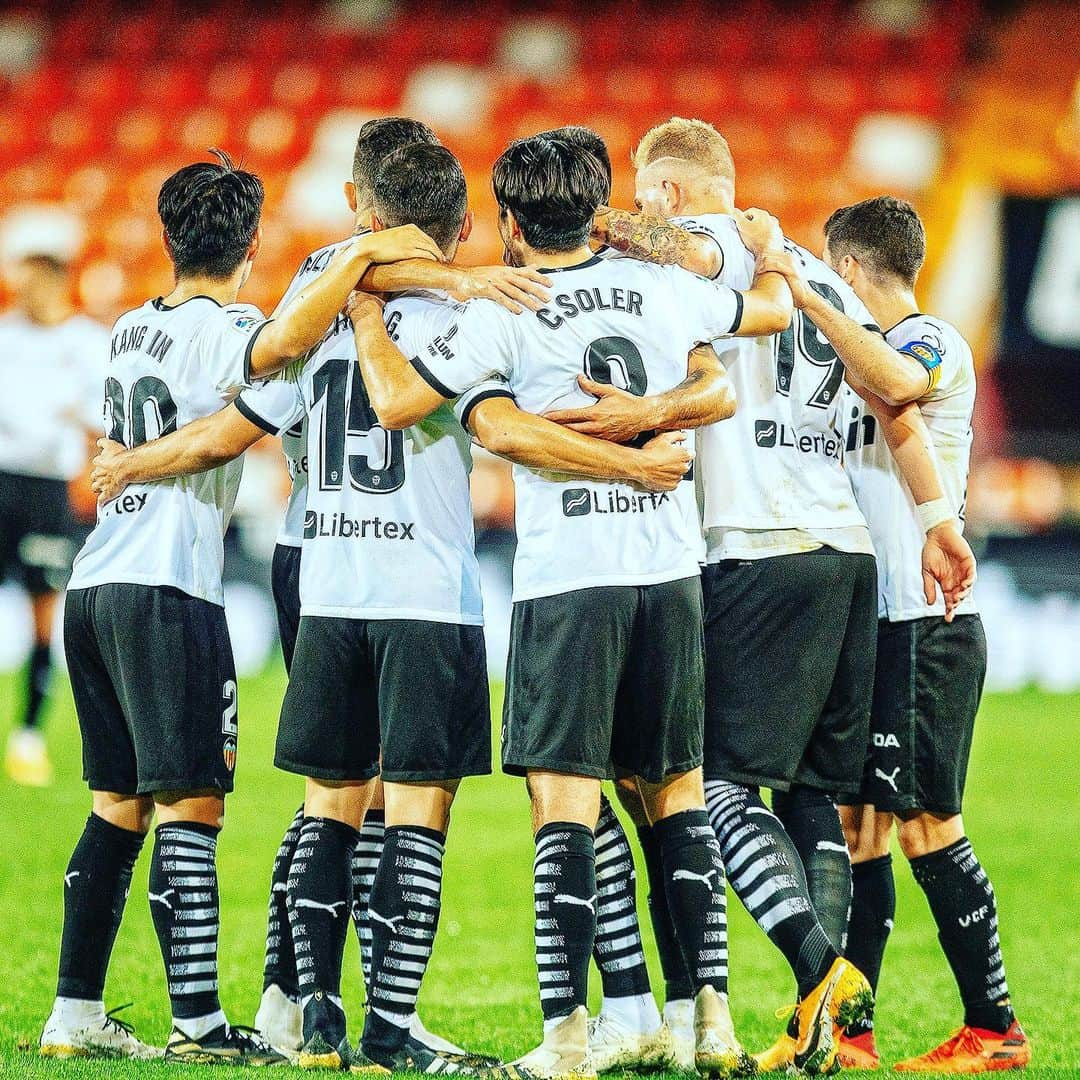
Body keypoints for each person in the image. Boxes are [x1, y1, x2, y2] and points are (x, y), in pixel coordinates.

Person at [91, 116, 553, 1060]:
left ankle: (296, 1001)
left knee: (329, 802)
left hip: (323, 574)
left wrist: (132, 464)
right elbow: (501, 427)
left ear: (365, 215)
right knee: (414, 803)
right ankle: (388, 1024)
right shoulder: (472, 316)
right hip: (422, 588)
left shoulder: (315, 308)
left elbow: (228, 431)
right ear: (458, 229)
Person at [349, 133, 796, 1079]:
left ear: (509, 222)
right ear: (598, 210)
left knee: (566, 809)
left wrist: (364, 305)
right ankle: (705, 1022)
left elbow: (396, 405)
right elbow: (763, 311)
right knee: (675, 798)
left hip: (569, 582)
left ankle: (567, 1038)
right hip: (670, 571)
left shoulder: (509, 305)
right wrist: (665, 407)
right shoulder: (661, 285)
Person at [578, 116, 975, 1075]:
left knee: (713, 784)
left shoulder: (722, 249)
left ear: (670, 190)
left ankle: (816, 967)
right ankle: (817, 1024)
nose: (640, 207)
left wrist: (592, 223)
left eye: (644, 190)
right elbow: (895, 407)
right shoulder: (821, 277)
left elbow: (689, 240)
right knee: (812, 799)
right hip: (846, 557)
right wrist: (936, 517)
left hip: (759, 550)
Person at [39, 149, 440, 1064]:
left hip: (96, 585)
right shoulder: (232, 327)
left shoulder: (131, 326)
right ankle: (198, 1024)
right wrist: (352, 262)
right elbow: (272, 354)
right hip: (168, 589)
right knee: (192, 806)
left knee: (115, 807)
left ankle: (74, 1013)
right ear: (252, 243)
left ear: (168, 236)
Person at [761, 195, 1029, 1073]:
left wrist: (807, 294)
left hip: (928, 627)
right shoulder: (852, 360)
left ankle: (995, 1031)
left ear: (849, 267)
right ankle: (856, 1029)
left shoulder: (929, 340)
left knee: (927, 826)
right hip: (875, 626)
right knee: (859, 827)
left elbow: (901, 387)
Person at [0, 253, 107, 787]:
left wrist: (77, 419)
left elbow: (109, 417)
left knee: (44, 612)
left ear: (62, 285)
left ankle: (28, 735)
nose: (27, 293)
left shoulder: (88, 343)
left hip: (46, 490)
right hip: (1, 476)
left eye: (37, 284)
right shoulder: (5, 337)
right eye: (22, 284)